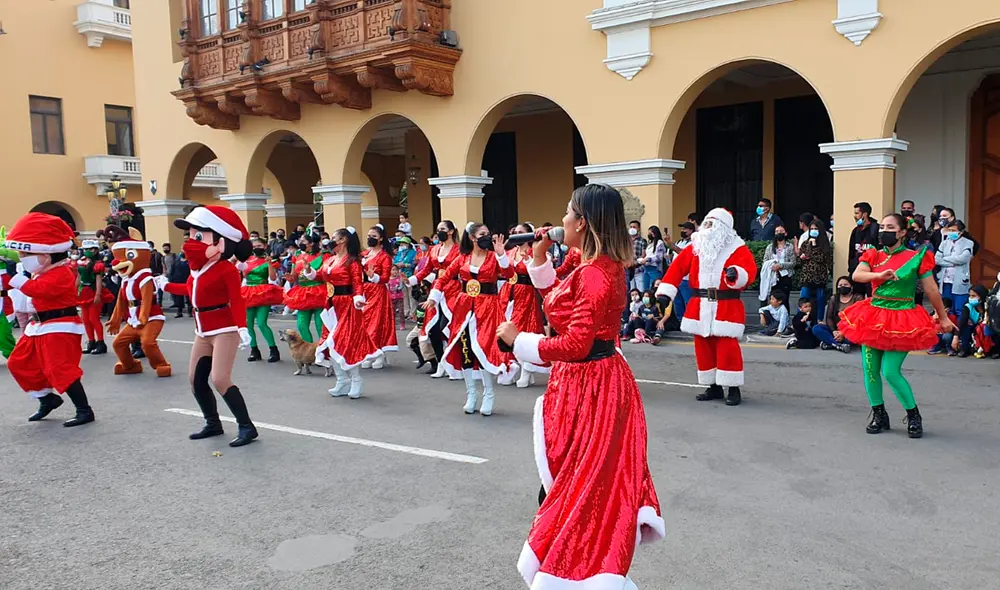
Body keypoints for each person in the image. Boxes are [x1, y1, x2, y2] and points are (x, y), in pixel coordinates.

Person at [496, 184, 664, 588]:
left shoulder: (593, 274)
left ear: (583, 222)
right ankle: (580, 573)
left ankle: (578, 573)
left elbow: (575, 343)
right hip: (591, 382)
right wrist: (540, 260)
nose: (561, 220)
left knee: (579, 490)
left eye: (568, 212)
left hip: (591, 389)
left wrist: (518, 341)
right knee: (578, 486)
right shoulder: (596, 264)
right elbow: (562, 302)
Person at [841, 213, 953, 438]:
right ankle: (879, 414)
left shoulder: (917, 257)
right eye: (882, 227)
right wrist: (880, 275)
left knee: (891, 372)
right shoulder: (874, 254)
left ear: (902, 232)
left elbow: (931, 289)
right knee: (870, 370)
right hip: (873, 316)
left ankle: (913, 415)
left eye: (890, 227)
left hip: (903, 318)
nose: (884, 231)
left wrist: (943, 317)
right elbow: (857, 275)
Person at [155, 206, 258, 447]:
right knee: (195, 379)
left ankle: (246, 426)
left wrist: (242, 327)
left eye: (199, 236)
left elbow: (237, 299)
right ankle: (212, 423)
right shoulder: (198, 269)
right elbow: (190, 290)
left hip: (224, 330)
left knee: (220, 378)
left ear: (221, 241)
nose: (192, 242)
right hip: (202, 331)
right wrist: (165, 285)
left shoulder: (226, 269)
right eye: (192, 235)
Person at [656, 208, 757, 406]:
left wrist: (736, 274)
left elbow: (749, 270)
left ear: (723, 227)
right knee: (703, 347)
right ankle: (713, 386)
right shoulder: (696, 246)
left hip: (726, 304)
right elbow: (677, 269)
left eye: (712, 224)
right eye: (706, 224)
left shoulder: (737, 247)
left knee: (727, 347)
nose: (707, 228)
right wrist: (665, 294)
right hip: (700, 304)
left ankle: (733, 388)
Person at [3, 213, 96, 427]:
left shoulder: (62, 272)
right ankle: (47, 399)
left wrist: (14, 276)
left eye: (27, 253)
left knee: (59, 368)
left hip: (59, 325)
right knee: (19, 362)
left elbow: (39, 290)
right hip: (38, 326)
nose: (22, 257)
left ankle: (84, 410)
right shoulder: (43, 271)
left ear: (48, 254)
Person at [428, 223, 516, 415]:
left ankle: (489, 394)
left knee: (483, 348)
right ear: (473, 237)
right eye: (483, 234)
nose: (487, 237)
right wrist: (434, 297)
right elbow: (443, 278)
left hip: (488, 309)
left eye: (488, 233)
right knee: (466, 349)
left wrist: (501, 255)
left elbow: (510, 275)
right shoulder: (462, 258)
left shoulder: (493, 257)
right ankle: (471, 394)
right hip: (464, 308)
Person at [313, 227, 383, 399]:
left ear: (343, 240)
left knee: (344, 342)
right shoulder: (330, 260)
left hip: (347, 305)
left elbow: (358, 283)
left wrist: (358, 298)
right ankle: (342, 380)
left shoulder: (352, 261)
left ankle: (356, 380)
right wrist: (309, 272)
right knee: (329, 343)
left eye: (334, 237)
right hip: (331, 305)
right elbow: (320, 276)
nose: (330, 240)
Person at [104, 226, 172, 378]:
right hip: (133, 320)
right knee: (118, 343)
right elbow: (121, 301)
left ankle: (161, 364)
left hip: (151, 318)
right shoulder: (126, 280)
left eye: (127, 256)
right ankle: (130, 365)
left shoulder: (145, 278)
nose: (118, 262)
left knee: (147, 343)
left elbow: (147, 299)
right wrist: (115, 319)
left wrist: (143, 317)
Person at [408, 220, 462, 378]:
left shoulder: (459, 250)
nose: (439, 232)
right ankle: (440, 363)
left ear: (451, 231)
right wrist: (411, 280)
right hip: (437, 291)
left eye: (443, 229)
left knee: (448, 327)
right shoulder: (434, 249)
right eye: (438, 229)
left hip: (453, 291)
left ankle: (455, 364)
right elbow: (426, 270)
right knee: (432, 330)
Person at [501, 222, 548, 388]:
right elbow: (503, 271)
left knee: (525, 330)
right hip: (509, 294)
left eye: (520, 232)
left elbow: (540, 272)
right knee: (506, 329)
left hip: (527, 294)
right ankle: (512, 365)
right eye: (515, 232)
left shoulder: (534, 252)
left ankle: (527, 370)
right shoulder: (510, 252)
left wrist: (529, 262)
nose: (516, 234)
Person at [238, 237, 282, 363]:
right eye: (254, 246)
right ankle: (254, 350)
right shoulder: (248, 259)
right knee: (248, 324)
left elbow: (272, 278)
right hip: (248, 291)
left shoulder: (270, 260)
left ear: (265, 246)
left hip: (263, 292)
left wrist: (269, 263)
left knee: (262, 323)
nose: (256, 248)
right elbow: (245, 275)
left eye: (259, 246)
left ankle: (273, 350)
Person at [361, 224, 398, 367]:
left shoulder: (384, 257)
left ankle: (378, 353)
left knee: (375, 323)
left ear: (381, 239)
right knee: (364, 323)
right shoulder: (364, 254)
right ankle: (369, 351)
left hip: (377, 291)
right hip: (364, 291)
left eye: (374, 236)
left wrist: (373, 276)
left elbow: (385, 278)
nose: (370, 238)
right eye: (369, 236)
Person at [283, 232, 327, 342]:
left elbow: (325, 275)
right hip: (303, 293)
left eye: (303, 241)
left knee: (320, 325)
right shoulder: (297, 256)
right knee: (301, 324)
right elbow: (294, 276)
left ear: (311, 243)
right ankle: (309, 348)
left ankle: (324, 349)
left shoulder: (323, 256)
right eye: (300, 241)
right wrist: (290, 278)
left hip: (319, 291)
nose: (300, 243)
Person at [77, 239, 111, 355]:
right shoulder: (81, 262)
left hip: (93, 291)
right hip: (83, 292)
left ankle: (101, 343)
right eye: (86, 249)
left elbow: (98, 280)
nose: (88, 251)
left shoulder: (98, 264)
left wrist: (98, 294)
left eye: (90, 249)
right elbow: (78, 278)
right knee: (85, 320)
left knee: (94, 319)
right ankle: (91, 342)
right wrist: (74, 291)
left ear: (96, 250)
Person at [812, 276, 862, 353]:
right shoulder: (834, 298)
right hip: (835, 330)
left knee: (854, 337)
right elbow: (829, 317)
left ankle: (830, 343)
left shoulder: (858, 298)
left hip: (851, 330)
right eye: (840, 285)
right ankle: (838, 345)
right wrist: (834, 331)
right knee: (817, 328)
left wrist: (843, 333)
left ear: (851, 287)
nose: (843, 287)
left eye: (845, 285)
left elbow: (858, 319)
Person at [935, 219, 974, 315]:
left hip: (960, 280)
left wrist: (945, 258)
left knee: (959, 309)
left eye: (954, 231)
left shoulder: (968, 243)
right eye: (949, 230)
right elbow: (937, 259)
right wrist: (951, 263)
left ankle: (959, 325)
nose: (951, 232)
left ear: (961, 232)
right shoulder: (944, 243)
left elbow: (962, 259)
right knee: (947, 308)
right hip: (945, 280)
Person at [797, 219, 833, 322]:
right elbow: (799, 261)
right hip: (807, 277)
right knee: (803, 299)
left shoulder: (825, 245)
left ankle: (819, 320)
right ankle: (801, 320)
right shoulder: (805, 243)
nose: (813, 231)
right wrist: (802, 257)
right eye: (811, 229)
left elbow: (821, 259)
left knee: (820, 300)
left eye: (816, 229)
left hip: (819, 277)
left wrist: (813, 246)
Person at [759, 225, 796, 315]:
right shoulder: (770, 247)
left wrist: (780, 266)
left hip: (785, 277)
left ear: (785, 233)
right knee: (773, 301)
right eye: (776, 231)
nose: (779, 233)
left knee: (784, 300)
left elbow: (793, 263)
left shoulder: (789, 247)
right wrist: (772, 266)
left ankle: (785, 320)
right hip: (772, 278)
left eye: (781, 231)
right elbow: (765, 262)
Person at [848, 202, 880, 296]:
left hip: (871, 271)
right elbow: (851, 251)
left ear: (865, 214)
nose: (855, 216)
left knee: (872, 297)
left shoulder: (876, 229)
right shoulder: (856, 231)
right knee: (857, 298)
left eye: (857, 213)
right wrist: (851, 269)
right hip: (857, 270)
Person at [667, 222, 695, 323]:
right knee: (677, 302)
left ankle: (690, 321)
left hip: (686, 277)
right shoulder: (679, 242)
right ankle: (680, 321)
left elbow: (683, 253)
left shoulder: (693, 243)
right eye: (682, 229)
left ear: (691, 230)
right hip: (677, 277)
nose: (682, 231)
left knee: (687, 300)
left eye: (685, 229)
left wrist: (670, 244)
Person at [951, 284, 989, 358]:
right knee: (966, 327)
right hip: (973, 330)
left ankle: (992, 350)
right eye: (970, 296)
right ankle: (964, 349)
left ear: (981, 297)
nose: (971, 298)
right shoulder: (968, 306)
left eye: (973, 296)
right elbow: (961, 321)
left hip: (985, 330)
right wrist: (956, 337)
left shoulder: (988, 305)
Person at [393, 236, 416, 325]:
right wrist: (397, 265)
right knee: (404, 295)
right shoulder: (399, 253)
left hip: (410, 275)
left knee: (411, 295)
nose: (401, 245)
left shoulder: (413, 253)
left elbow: (414, 264)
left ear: (408, 244)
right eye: (401, 243)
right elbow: (395, 262)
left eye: (403, 243)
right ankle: (406, 311)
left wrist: (405, 265)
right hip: (400, 275)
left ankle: (412, 313)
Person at [638, 226, 667, 291]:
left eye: (650, 233)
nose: (649, 235)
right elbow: (648, 254)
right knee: (646, 289)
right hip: (646, 268)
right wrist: (642, 260)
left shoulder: (659, 242)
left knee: (653, 288)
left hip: (654, 268)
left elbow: (659, 257)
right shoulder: (650, 243)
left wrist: (648, 259)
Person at [169, 252, 192, 317]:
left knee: (189, 297)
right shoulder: (176, 261)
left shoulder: (190, 262)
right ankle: (179, 312)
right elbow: (172, 271)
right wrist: (171, 279)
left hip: (187, 281)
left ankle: (190, 311)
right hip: (177, 281)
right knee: (179, 298)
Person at [628, 219, 647, 290]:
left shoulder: (642, 240)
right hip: (629, 269)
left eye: (634, 227)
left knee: (640, 289)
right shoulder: (627, 241)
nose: (632, 229)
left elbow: (644, 254)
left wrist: (636, 262)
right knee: (631, 290)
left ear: (638, 228)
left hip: (639, 269)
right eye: (631, 227)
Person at [388, 265, 405, 329]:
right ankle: (392, 324)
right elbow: (387, 288)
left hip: (399, 297)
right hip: (391, 298)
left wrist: (397, 288)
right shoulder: (388, 279)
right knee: (392, 312)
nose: (395, 271)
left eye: (396, 270)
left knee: (401, 311)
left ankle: (402, 324)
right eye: (393, 270)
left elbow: (401, 286)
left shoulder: (399, 278)